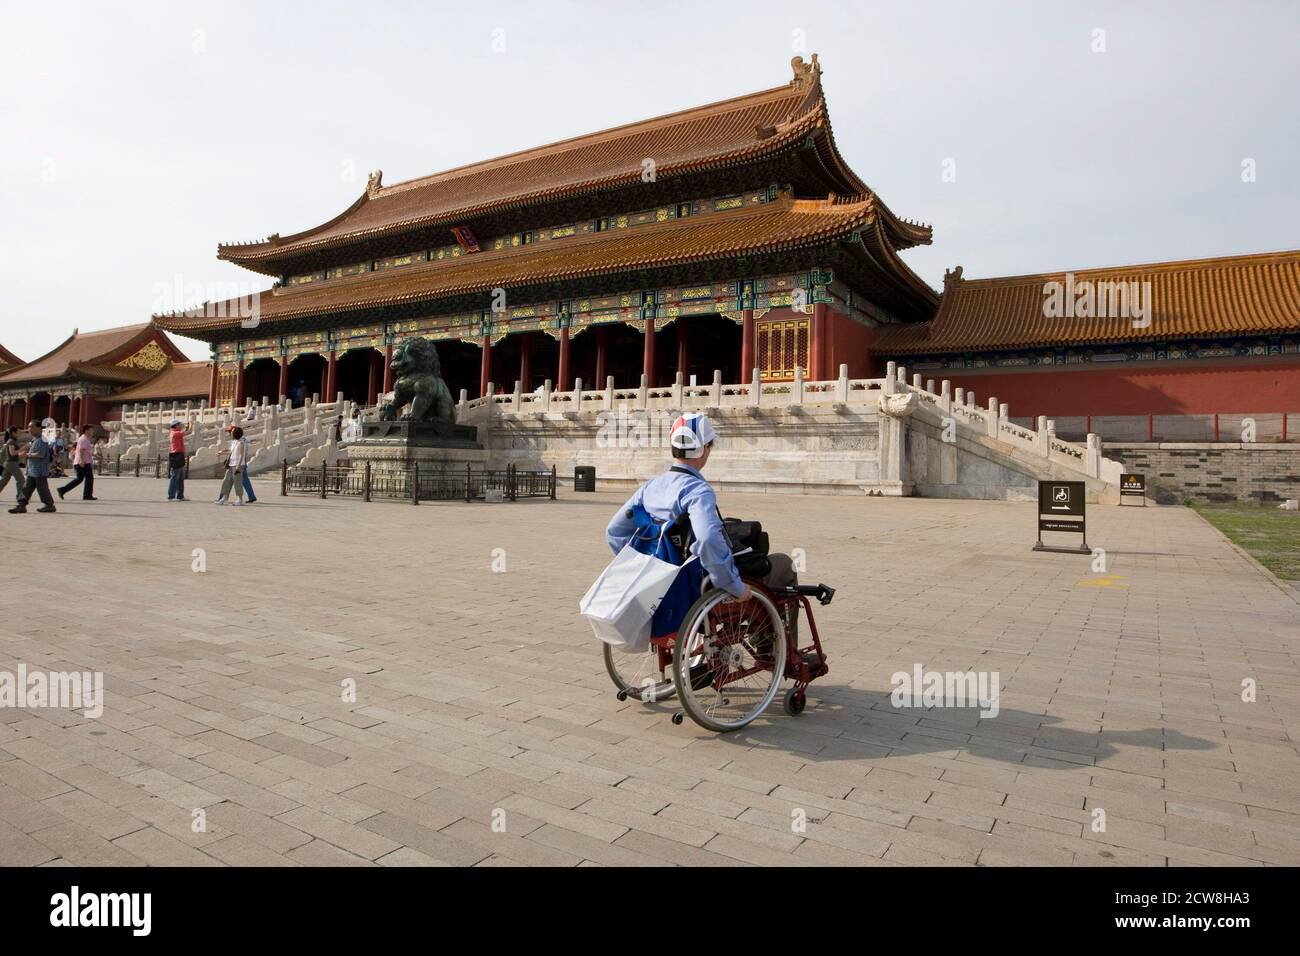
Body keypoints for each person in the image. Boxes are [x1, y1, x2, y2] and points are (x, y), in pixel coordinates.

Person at [9, 420, 56, 514]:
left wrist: (28, 454)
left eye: (32, 427)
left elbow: (40, 454)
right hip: (32, 470)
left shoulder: (42, 439)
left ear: (39, 428)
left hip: (39, 470)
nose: (29, 429)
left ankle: (49, 505)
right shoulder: (35, 439)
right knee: (26, 489)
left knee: (42, 489)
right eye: (29, 427)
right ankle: (21, 506)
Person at [57, 424, 97, 501]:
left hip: (80, 462)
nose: (93, 432)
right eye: (91, 430)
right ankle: (87, 495)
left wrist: (95, 455)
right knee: (89, 478)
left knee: (79, 479)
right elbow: (81, 450)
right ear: (86, 430)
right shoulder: (83, 439)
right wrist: (82, 460)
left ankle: (62, 490)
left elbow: (86, 451)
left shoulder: (85, 439)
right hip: (83, 462)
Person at [216, 425, 246, 505]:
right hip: (231, 464)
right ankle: (225, 498)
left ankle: (240, 500)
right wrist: (222, 453)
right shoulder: (234, 442)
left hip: (237, 465)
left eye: (232, 432)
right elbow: (231, 451)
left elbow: (241, 455)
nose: (230, 434)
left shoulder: (241, 443)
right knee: (227, 481)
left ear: (236, 433)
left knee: (237, 482)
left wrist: (238, 466)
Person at [0, 426, 24, 501]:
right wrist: (24, 448)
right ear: (14, 433)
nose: (20, 433)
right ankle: (20, 496)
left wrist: (23, 454)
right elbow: (12, 453)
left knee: (4, 480)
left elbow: (13, 455)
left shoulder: (12, 440)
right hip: (11, 463)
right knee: (21, 479)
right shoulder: (11, 441)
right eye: (19, 432)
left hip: (10, 463)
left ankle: (20, 495)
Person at [166, 418, 188, 501]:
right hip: (176, 455)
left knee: (180, 477)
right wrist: (191, 425)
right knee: (175, 476)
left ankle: (180, 495)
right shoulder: (175, 433)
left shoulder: (175, 432)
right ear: (176, 425)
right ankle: (171, 496)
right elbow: (187, 432)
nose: (180, 425)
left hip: (179, 455)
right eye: (179, 424)